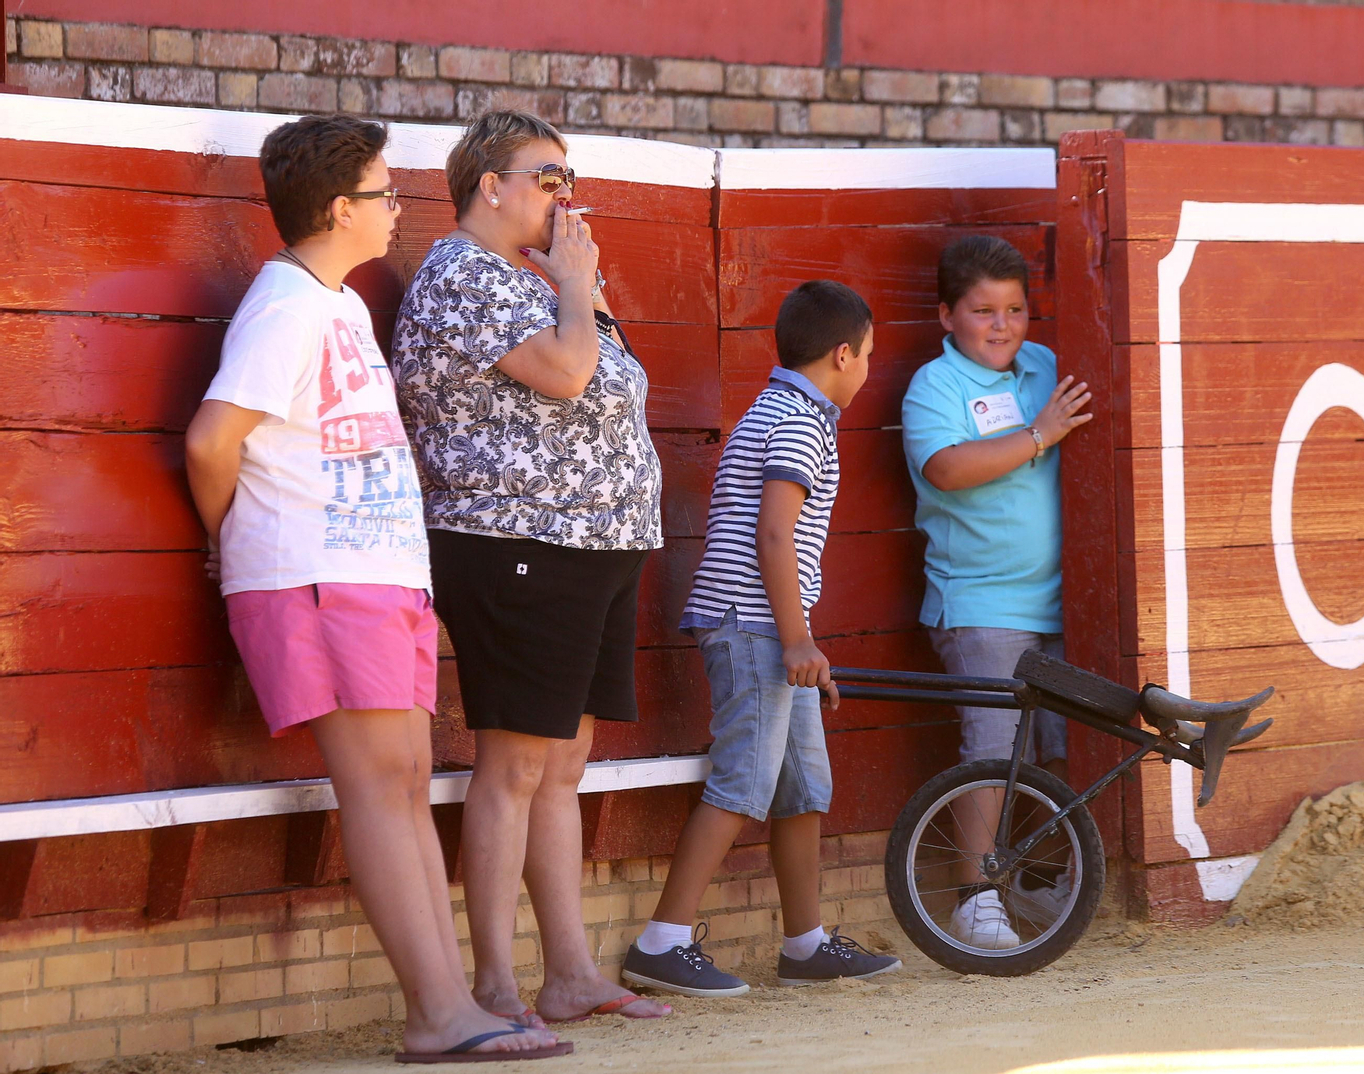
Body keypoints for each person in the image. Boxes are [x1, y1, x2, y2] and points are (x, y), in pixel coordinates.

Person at [185, 115, 563, 1062]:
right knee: (380, 789)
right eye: (386, 194)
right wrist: (226, 539)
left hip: (371, 570)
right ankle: (437, 1012)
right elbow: (209, 440)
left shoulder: (339, 303)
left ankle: (453, 1006)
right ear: (336, 207)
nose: (399, 208)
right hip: (314, 569)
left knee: (402, 782)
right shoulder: (286, 304)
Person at [392, 110, 670, 1026]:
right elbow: (567, 373)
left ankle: (570, 974)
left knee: (562, 764)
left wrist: (569, 283)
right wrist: (579, 284)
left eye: (568, 179)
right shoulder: (461, 273)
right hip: (519, 544)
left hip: (590, 544)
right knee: (513, 765)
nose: (565, 197)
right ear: (490, 185)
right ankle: (494, 987)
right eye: (549, 178)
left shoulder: (528, 276)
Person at [620, 281, 901, 996]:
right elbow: (774, 533)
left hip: (768, 627)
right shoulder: (802, 421)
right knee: (744, 779)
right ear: (842, 355)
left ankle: (804, 943)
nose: (868, 369)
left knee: (802, 785)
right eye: (867, 356)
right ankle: (662, 939)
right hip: (756, 627)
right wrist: (798, 640)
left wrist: (802, 644)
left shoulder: (785, 409)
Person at [899, 235, 1094, 950]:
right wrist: (1039, 435)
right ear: (946, 314)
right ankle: (976, 898)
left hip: (1067, 599)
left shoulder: (1045, 366)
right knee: (993, 754)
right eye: (984, 311)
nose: (1003, 325)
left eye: (1016, 309)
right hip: (981, 603)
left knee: (1072, 745)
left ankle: (1049, 884)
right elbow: (947, 469)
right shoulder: (936, 386)